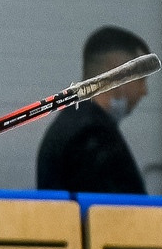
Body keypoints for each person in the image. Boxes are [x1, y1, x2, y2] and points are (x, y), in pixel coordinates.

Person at [34, 26, 152, 195]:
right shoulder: (91, 135)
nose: (144, 91)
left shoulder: (75, 123)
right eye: (141, 80)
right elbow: (112, 207)